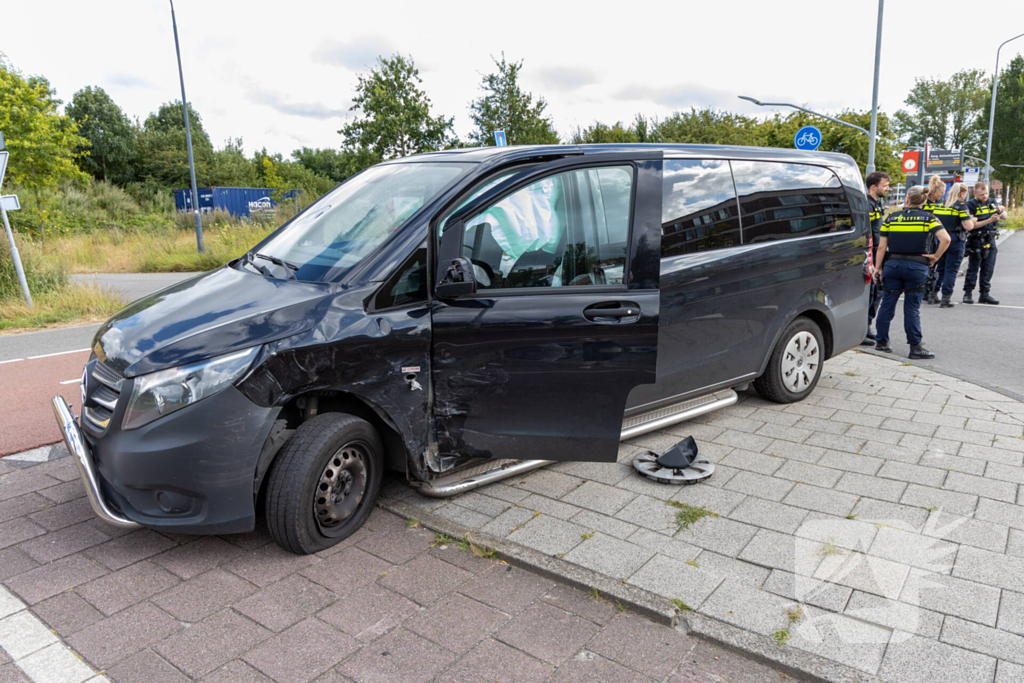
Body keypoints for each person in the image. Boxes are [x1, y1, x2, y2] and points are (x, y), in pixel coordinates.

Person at [873, 185, 950, 360]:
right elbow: (946, 239)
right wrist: (935, 256)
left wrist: (878, 268)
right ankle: (915, 348)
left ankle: (881, 342)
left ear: (907, 198)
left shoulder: (891, 218)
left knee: (887, 304)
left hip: (892, 266)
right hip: (916, 267)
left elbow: (882, 247)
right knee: (912, 308)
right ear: (924, 200)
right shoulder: (929, 219)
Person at [929, 182, 974, 307]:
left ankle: (933, 294)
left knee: (940, 267)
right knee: (951, 270)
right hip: (955, 239)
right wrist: (973, 220)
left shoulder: (939, 204)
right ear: (962, 193)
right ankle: (946, 298)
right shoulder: (960, 206)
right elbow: (968, 226)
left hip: (939, 238)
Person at [963, 181, 1006, 304]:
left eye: (986, 193)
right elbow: (971, 225)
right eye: (982, 194)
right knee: (973, 268)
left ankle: (984, 293)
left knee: (988, 268)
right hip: (976, 239)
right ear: (975, 194)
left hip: (990, 239)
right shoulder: (970, 205)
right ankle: (968, 293)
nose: (985, 196)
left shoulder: (991, 202)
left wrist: (1001, 210)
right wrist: (989, 220)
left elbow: (1005, 217)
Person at [861, 171, 890, 346]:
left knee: (876, 291)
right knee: (869, 293)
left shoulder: (877, 204)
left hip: (878, 254)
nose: (887, 189)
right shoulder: (867, 205)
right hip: (869, 254)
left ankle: (867, 326)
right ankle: (861, 329)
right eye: (884, 186)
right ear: (874, 187)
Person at [921, 176, 947, 305]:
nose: (943, 194)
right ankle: (926, 291)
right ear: (933, 191)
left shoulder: (940, 203)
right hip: (926, 238)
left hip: (936, 237)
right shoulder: (924, 204)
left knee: (935, 266)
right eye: (941, 192)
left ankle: (931, 291)